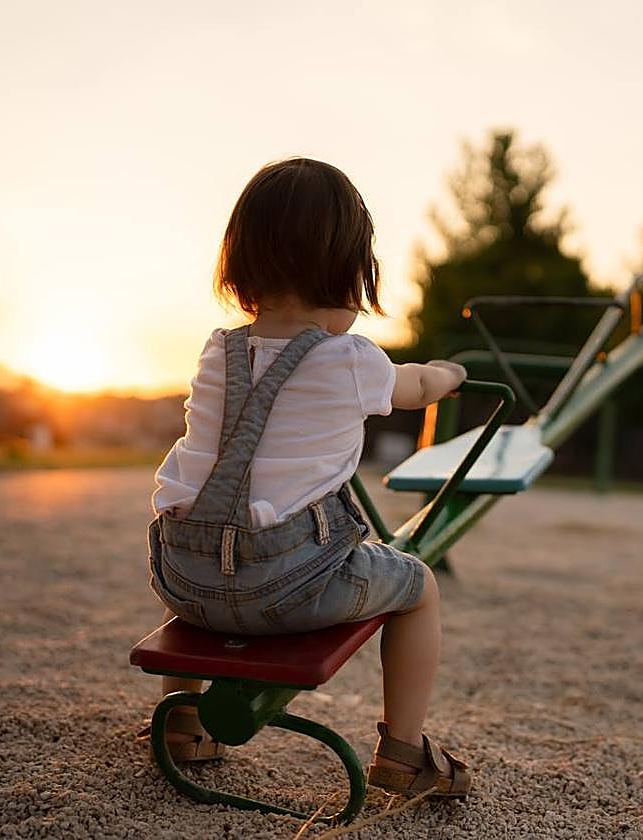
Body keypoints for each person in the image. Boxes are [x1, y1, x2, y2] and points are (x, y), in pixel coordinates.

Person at [141, 157, 471, 798]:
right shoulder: (350, 360)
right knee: (419, 586)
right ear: (350, 272)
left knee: (203, 516)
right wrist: (447, 373)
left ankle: (183, 721)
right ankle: (404, 754)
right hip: (289, 588)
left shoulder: (217, 351)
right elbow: (419, 386)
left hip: (184, 581)